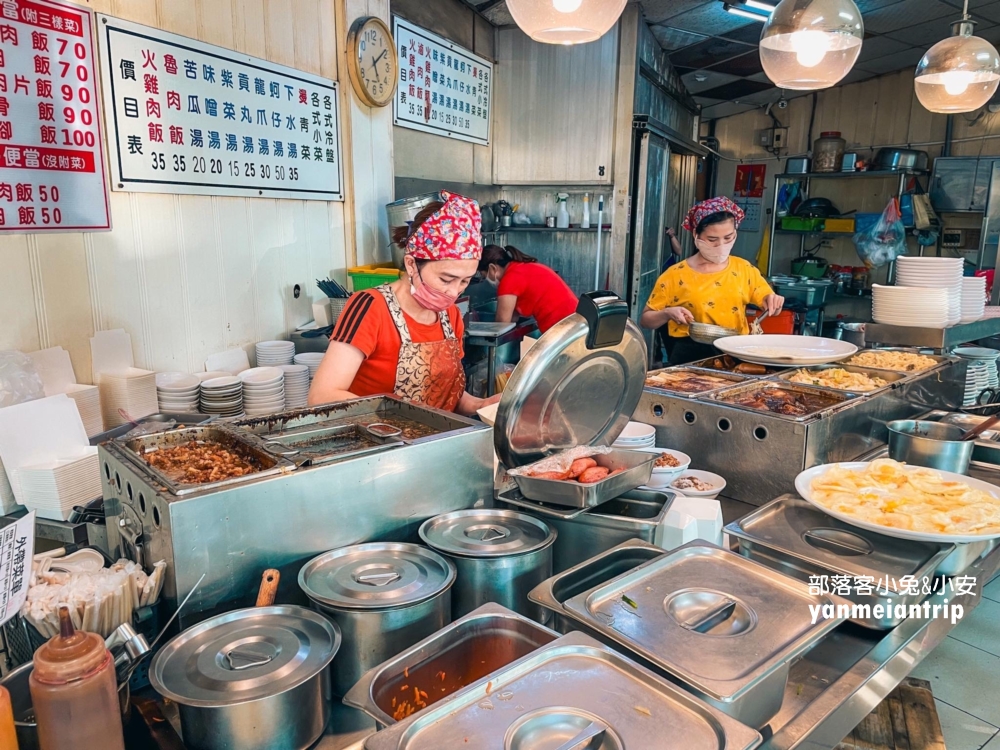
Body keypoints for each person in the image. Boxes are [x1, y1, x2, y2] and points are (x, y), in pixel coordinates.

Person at [308, 192, 498, 416]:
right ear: (411, 264)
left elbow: (449, 398)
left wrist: (479, 406)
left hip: (435, 444)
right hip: (379, 444)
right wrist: (404, 418)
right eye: (446, 279)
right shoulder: (370, 307)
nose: (453, 292)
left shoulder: (451, 316)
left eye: (465, 281)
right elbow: (322, 396)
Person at [640, 196, 784, 365]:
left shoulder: (744, 269)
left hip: (736, 354)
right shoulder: (674, 275)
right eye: (712, 239)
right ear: (696, 234)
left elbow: (770, 304)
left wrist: (773, 301)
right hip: (689, 356)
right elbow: (646, 320)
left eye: (728, 238)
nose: (721, 245)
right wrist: (667, 313)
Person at [478, 244, 578, 334]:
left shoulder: (509, 280)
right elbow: (513, 317)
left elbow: (501, 324)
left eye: (484, 275)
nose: (484, 279)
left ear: (492, 268)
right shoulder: (521, 268)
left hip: (562, 326)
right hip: (576, 319)